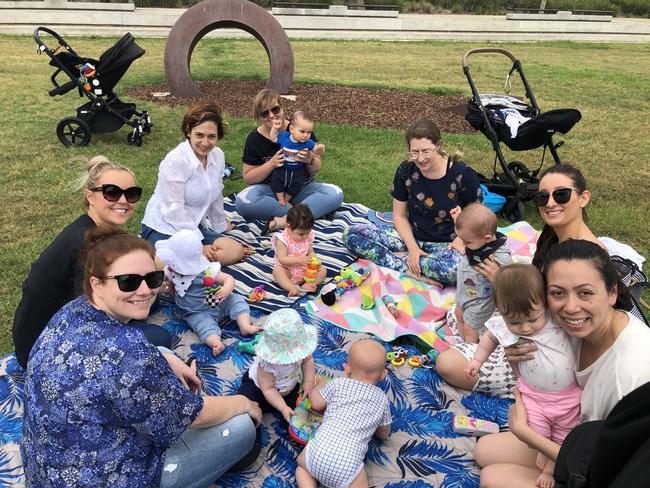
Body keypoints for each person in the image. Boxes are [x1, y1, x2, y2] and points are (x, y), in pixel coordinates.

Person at [21, 227, 263, 487]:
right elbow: (192, 416)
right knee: (243, 427)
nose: (145, 290)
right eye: (128, 281)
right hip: (111, 477)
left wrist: (165, 360)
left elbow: (119, 364)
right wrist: (243, 403)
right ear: (97, 283)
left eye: (152, 278)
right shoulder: (131, 356)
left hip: (45, 469)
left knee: (164, 353)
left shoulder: (71, 311)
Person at [475, 240, 650, 487]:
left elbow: (610, 468)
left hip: (601, 468)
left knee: (491, 478)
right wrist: (516, 362)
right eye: (558, 293)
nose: (570, 307)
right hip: (570, 438)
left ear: (612, 293)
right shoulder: (567, 328)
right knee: (483, 450)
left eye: (585, 292)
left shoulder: (628, 376)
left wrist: (528, 436)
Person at [436, 164, 598, 394]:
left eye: (561, 194)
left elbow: (581, 326)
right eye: (542, 197)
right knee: (458, 311)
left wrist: (502, 281)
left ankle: (525, 387)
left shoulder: (585, 256)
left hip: (545, 348)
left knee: (448, 363)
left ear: (583, 198)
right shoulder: (551, 237)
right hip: (526, 321)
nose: (550, 203)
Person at [12, 156, 171, 369]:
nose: (123, 201)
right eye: (112, 193)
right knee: (159, 337)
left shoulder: (92, 229)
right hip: (44, 350)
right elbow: (93, 317)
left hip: (35, 332)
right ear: (91, 197)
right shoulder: (86, 246)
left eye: (131, 194)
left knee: (152, 301)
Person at [465, 264, 580, 488]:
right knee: (535, 432)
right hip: (533, 396)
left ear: (544, 304)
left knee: (567, 433)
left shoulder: (555, 319)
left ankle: (551, 466)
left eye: (531, 319)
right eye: (515, 323)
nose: (525, 328)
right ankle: (543, 450)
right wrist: (477, 361)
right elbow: (489, 338)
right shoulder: (507, 323)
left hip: (568, 396)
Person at [343, 118, 482, 287]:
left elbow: (477, 216)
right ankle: (409, 269)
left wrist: (461, 239)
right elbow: (399, 216)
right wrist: (413, 249)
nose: (420, 158)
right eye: (414, 152)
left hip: (448, 244)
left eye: (426, 151)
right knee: (352, 234)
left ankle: (402, 261)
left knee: (456, 270)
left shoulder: (462, 174)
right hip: (410, 237)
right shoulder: (405, 171)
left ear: (438, 145)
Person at [141, 102, 244, 265]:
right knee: (179, 259)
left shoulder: (217, 156)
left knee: (235, 251)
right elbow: (173, 211)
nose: (205, 142)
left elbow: (216, 194)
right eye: (200, 135)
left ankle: (189, 266)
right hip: (164, 226)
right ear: (188, 132)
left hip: (195, 225)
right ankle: (177, 264)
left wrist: (220, 225)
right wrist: (198, 245)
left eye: (212, 136)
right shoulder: (176, 160)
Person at [235, 89, 343, 235]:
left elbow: (317, 167)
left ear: (282, 107)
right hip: (271, 192)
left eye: (275, 109)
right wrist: (271, 164)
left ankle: (284, 220)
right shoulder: (254, 139)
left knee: (335, 193)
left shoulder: (301, 129)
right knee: (242, 201)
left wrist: (309, 159)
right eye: (265, 113)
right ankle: (302, 214)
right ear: (259, 116)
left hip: (301, 188)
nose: (272, 115)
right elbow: (248, 177)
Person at [295, 338, 392, 488]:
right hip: (347, 466)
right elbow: (384, 433)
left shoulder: (338, 383)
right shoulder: (382, 399)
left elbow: (316, 403)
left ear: (347, 368)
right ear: (383, 374)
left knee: (302, 469)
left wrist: (319, 385)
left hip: (317, 452)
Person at [155, 230, 261, 356]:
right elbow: (163, 282)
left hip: (218, 301)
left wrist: (226, 289)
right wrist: (163, 288)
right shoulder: (170, 270)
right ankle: (215, 342)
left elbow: (228, 279)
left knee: (236, 300)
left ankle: (244, 325)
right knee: (202, 326)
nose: (170, 265)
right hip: (197, 311)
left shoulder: (207, 270)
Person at [237, 308, 317, 430]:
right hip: (261, 388)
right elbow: (268, 389)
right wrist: (282, 407)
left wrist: (308, 382)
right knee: (246, 407)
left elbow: (308, 360)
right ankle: (251, 437)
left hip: (288, 385)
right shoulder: (267, 364)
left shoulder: (301, 349)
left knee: (302, 408)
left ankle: (288, 419)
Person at [452, 203, 512, 343]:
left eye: (467, 242)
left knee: (470, 328)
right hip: (464, 293)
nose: (464, 245)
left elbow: (509, 278)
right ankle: (461, 341)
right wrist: (458, 219)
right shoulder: (475, 238)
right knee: (458, 314)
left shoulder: (499, 254)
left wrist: (501, 273)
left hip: (481, 301)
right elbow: (467, 231)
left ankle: (470, 350)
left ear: (487, 238)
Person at [270, 110, 325, 206]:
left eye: (309, 132)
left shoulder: (308, 142)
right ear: (291, 129)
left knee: (296, 186)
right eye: (302, 131)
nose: (306, 135)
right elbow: (273, 137)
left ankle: (287, 200)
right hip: (283, 168)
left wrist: (321, 149)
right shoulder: (284, 137)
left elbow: (316, 150)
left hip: (297, 171)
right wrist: (274, 127)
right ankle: (280, 199)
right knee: (276, 181)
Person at [272, 204, 327, 297]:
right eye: (301, 234)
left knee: (323, 270)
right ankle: (291, 287)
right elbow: (282, 259)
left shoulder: (307, 236)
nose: (305, 236)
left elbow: (310, 251)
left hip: (305, 269)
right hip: (288, 270)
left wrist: (314, 261)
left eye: (307, 232)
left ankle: (310, 284)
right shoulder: (282, 240)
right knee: (277, 272)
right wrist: (299, 260)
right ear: (288, 226)